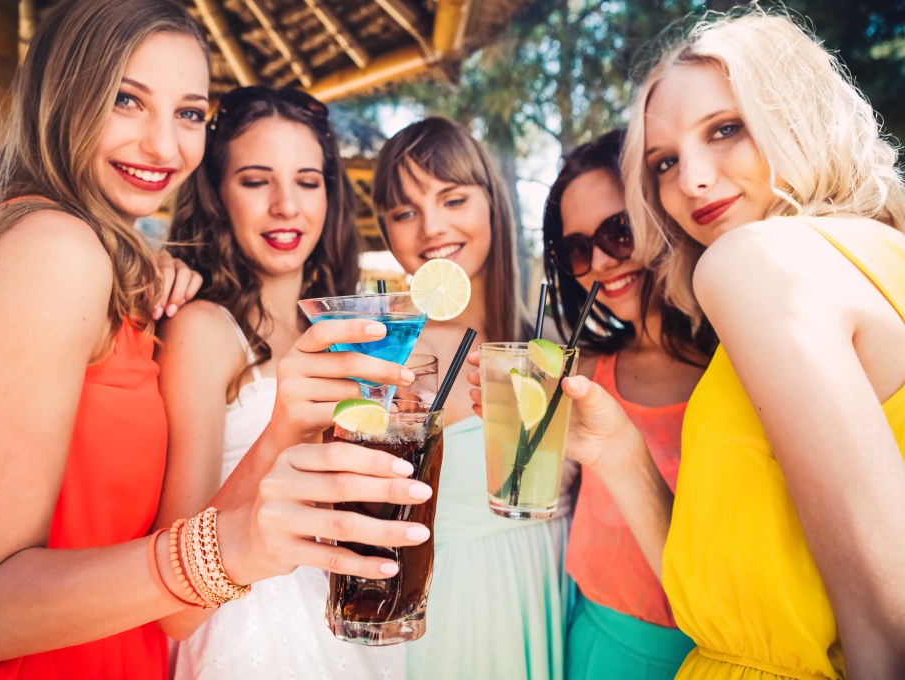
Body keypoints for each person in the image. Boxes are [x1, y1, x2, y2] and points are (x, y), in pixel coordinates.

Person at [0, 1, 434, 677]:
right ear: (63, 94)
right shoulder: (53, 250)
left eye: (189, 114)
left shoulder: (91, 259)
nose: (164, 147)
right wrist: (232, 540)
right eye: (126, 99)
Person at [559, 9, 905, 679]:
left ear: (795, 115)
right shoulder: (874, 254)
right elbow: (729, 607)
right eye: (664, 162)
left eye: (725, 130)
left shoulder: (750, 262)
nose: (690, 180)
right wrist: (619, 453)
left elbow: (887, 629)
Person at [156, 85, 404, 678]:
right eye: (255, 180)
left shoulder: (348, 331)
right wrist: (282, 432)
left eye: (308, 181)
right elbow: (173, 609)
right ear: (217, 193)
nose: (287, 205)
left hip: (358, 626)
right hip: (251, 639)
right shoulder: (203, 330)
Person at [372, 116, 570, 680]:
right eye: (405, 212)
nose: (431, 227)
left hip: (555, 593)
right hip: (463, 614)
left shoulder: (552, 343)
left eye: (453, 199)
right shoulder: (400, 363)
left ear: (491, 204)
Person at [540, 129, 715, 678]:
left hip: (721, 655)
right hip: (597, 641)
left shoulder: (743, 364)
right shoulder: (586, 371)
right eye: (576, 248)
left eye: (619, 230)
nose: (600, 262)